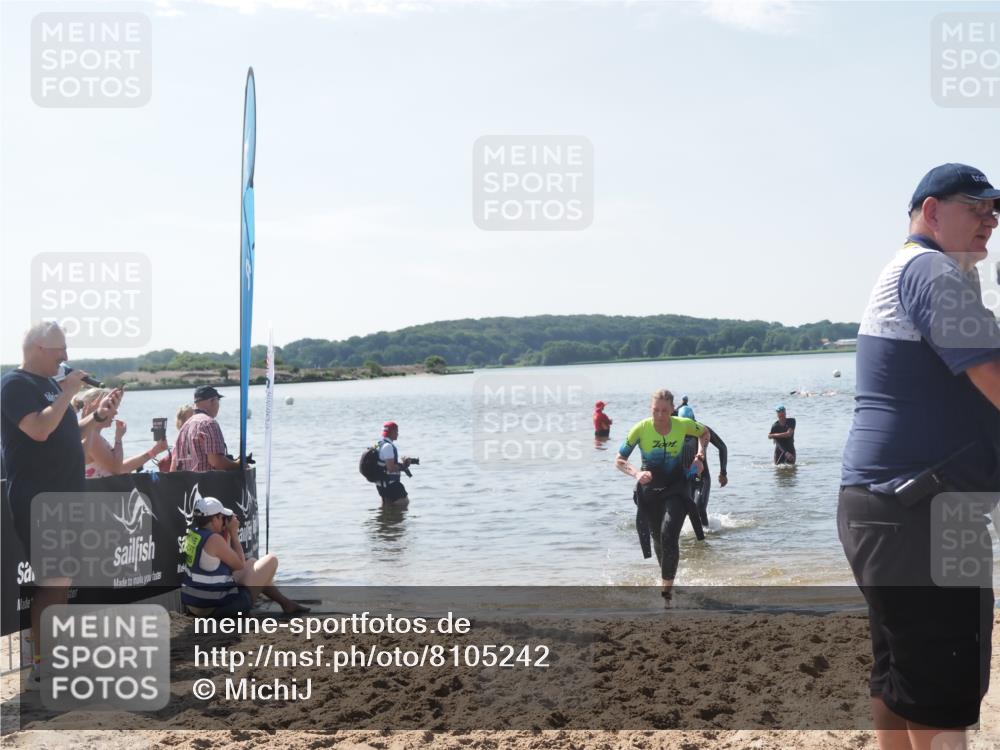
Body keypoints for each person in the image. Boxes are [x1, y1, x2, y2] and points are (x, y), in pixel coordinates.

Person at [838, 163, 1000, 746]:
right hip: (924, 513)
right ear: (931, 211)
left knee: (902, 676)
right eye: (976, 207)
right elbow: (993, 375)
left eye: (994, 211)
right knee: (942, 693)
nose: (991, 220)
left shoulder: (915, 271)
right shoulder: (932, 271)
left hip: (881, 509)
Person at [0, 322, 119, 689]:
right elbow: (38, 429)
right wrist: (68, 392)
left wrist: (96, 419)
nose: (66, 357)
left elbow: (63, 432)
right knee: (52, 583)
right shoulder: (15, 385)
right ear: (37, 348)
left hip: (64, 497)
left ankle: (51, 661)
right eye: (59, 351)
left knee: (60, 582)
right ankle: (44, 667)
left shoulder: (53, 387)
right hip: (39, 498)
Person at [616, 389, 711, 602]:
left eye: (664, 411)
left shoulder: (682, 424)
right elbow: (619, 460)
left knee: (669, 535)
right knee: (658, 540)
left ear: (672, 410)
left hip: (677, 488)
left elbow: (705, 433)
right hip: (649, 492)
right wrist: (637, 473)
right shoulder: (640, 429)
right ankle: (668, 579)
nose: (659, 415)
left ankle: (666, 593)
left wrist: (700, 456)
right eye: (655, 410)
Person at [180, 496, 308, 616]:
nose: (224, 519)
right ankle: (263, 608)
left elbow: (226, 565)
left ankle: (286, 604)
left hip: (195, 605)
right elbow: (239, 564)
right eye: (221, 517)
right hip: (214, 608)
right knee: (271, 560)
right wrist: (233, 533)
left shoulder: (193, 534)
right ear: (214, 520)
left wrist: (227, 534)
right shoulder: (214, 539)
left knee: (252, 563)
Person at [80, 387, 168, 477]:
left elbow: (121, 468)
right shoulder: (92, 436)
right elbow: (116, 469)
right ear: (98, 408)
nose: (115, 412)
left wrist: (154, 451)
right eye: (111, 407)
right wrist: (118, 439)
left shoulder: (93, 435)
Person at [170, 386, 241, 472]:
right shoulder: (208, 423)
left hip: (188, 484)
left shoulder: (185, 426)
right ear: (213, 401)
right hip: (208, 483)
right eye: (218, 400)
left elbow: (174, 468)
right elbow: (216, 461)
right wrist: (238, 464)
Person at [683, 424, 729, 527]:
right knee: (683, 509)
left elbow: (722, 447)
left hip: (701, 476)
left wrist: (723, 473)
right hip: (683, 477)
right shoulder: (673, 429)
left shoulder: (701, 429)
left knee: (699, 507)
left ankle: (705, 535)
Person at [375, 421, 416, 505]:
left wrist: (401, 464)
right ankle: (394, 516)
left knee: (387, 505)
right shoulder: (388, 446)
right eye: (397, 431)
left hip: (381, 484)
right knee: (404, 502)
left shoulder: (379, 444)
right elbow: (391, 468)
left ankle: (387, 516)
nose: (398, 434)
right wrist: (404, 465)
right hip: (391, 484)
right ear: (393, 432)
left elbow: (385, 465)